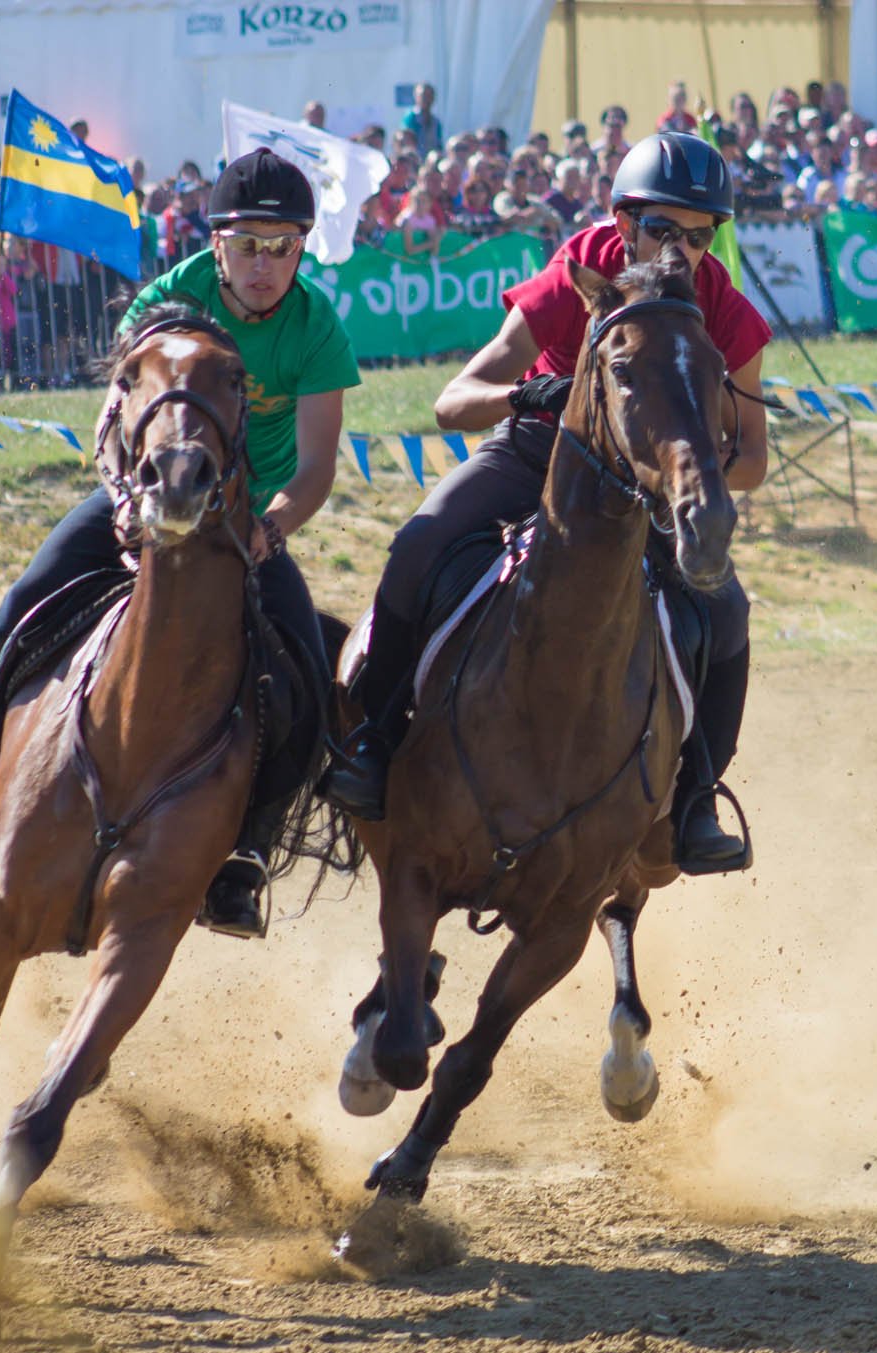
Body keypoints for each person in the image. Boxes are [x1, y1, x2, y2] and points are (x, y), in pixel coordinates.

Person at [0, 150, 359, 941]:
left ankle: (246, 855)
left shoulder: (316, 327)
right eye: (247, 244)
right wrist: (121, 501)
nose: (264, 264)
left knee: (310, 678)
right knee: (23, 600)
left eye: (282, 245)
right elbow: (112, 427)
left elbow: (315, 468)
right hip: (143, 492)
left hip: (247, 516)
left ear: (302, 249)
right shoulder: (166, 299)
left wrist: (267, 529)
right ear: (215, 244)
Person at [324, 132, 769, 876]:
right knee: (416, 549)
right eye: (664, 229)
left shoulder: (724, 308)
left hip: (646, 490)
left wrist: (686, 462)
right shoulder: (578, 272)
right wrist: (527, 393)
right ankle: (372, 739)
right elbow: (450, 403)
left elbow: (752, 454)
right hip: (535, 452)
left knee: (726, 613)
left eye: (701, 234)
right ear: (624, 223)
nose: (683, 250)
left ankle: (696, 798)